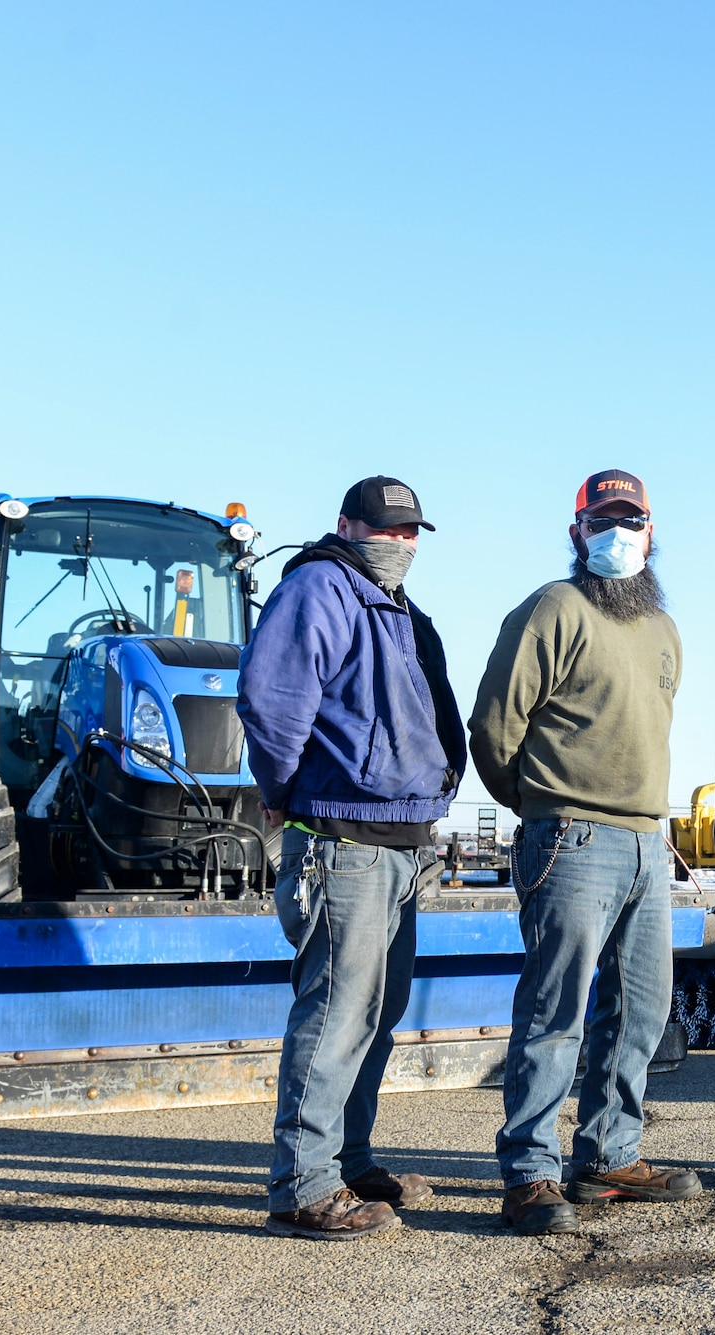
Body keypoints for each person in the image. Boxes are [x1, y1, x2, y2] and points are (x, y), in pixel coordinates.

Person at [469, 469, 701, 1236]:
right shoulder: (553, 609)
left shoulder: (663, 628)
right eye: (603, 518)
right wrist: (539, 804)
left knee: (641, 1008)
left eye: (631, 518)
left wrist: (651, 832)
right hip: (570, 835)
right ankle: (530, 1173)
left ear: (651, 530)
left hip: (645, 841)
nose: (619, 531)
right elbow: (494, 728)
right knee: (555, 1009)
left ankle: (607, 1154)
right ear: (577, 532)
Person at [238, 476, 468, 1241]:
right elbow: (272, 704)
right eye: (386, 530)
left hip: (401, 843)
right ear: (347, 524)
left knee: (376, 1014)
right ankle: (303, 1184)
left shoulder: (398, 610)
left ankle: (348, 1159)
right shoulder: (319, 588)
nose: (399, 544)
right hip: (342, 841)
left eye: (410, 533)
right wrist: (284, 793)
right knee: (337, 1012)